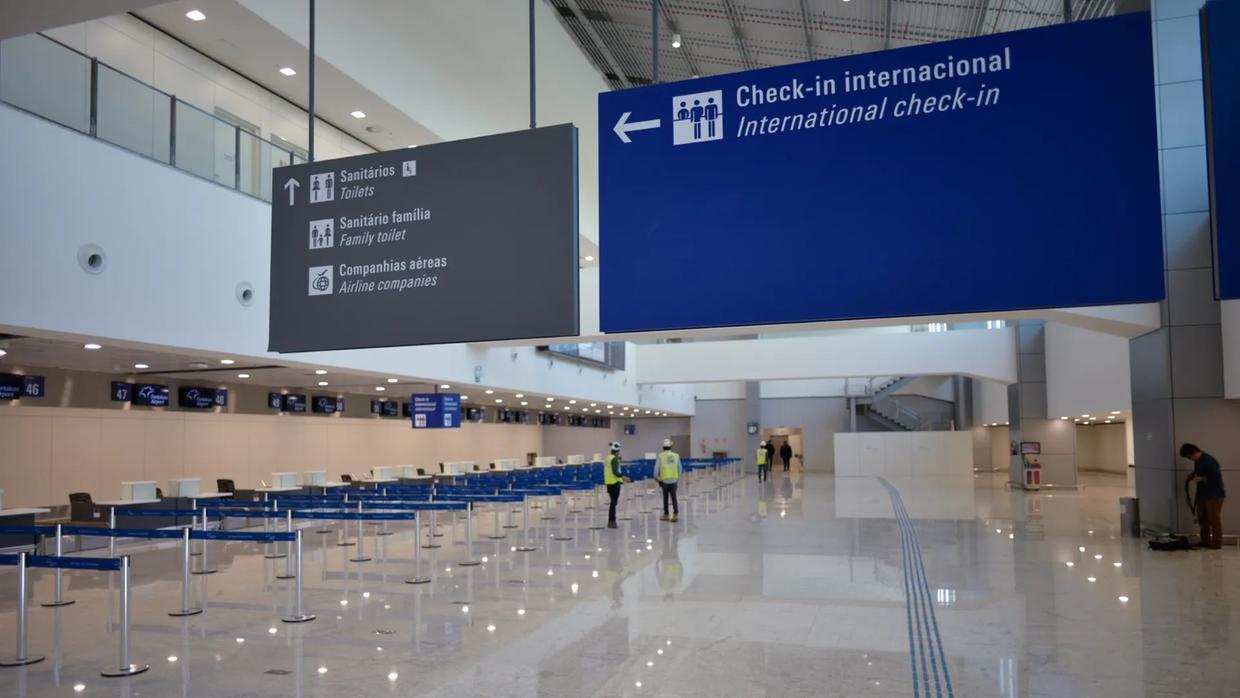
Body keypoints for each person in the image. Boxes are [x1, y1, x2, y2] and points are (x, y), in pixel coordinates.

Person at [1182, 443, 1225, 549]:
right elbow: (1198, 472)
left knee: (1214, 520)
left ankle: (1216, 543)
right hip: (1202, 495)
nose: (1190, 459)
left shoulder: (1210, 461)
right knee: (1203, 519)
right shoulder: (1197, 461)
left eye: (1189, 457)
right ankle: (1205, 541)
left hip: (1214, 495)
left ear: (1194, 452)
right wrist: (1192, 475)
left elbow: (1215, 477)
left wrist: (1201, 479)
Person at [656, 438, 682, 522]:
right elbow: (680, 468)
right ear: (671, 446)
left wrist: (656, 477)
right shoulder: (676, 455)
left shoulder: (660, 456)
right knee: (674, 497)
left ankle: (666, 514)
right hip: (674, 480)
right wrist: (678, 477)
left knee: (665, 497)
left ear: (663, 447)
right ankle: (675, 514)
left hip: (664, 481)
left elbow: (656, 468)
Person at [605, 441, 626, 528]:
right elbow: (615, 472)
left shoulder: (608, 458)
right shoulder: (614, 459)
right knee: (613, 503)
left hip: (609, 483)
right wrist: (624, 477)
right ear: (617, 451)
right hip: (615, 483)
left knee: (613, 503)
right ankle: (611, 521)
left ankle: (611, 520)